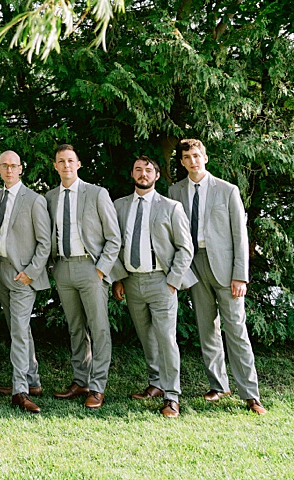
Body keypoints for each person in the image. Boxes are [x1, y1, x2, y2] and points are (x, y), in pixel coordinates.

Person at [169, 138, 266, 414]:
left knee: (236, 330)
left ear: (205, 158)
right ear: (182, 162)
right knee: (206, 329)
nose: (193, 161)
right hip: (195, 266)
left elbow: (240, 234)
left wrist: (240, 275)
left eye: (197, 156)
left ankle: (251, 394)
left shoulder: (227, 190)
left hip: (225, 269)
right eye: (187, 157)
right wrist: (181, 273)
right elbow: (174, 235)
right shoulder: (175, 191)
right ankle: (218, 385)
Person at [111, 156, 197, 418]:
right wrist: (118, 278)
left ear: (157, 176)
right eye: (138, 169)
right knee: (146, 336)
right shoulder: (119, 206)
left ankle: (172, 396)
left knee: (166, 338)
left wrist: (173, 280)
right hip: (132, 282)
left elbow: (185, 248)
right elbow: (113, 243)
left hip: (162, 281)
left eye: (148, 170)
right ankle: (156, 383)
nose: (143, 173)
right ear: (132, 174)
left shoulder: (171, 207)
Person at [45, 143, 121, 410]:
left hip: (91, 268)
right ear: (55, 166)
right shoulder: (50, 197)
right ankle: (81, 381)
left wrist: (101, 269)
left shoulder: (97, 194)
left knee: (99, 329)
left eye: (70, 161)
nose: (66, 165)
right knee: (75, 328)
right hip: (63, 268)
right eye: (61, 161)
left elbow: (114, 237)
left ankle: (98, 387)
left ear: (78, 164)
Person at [0, 150, 51, 413]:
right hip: (1, 271)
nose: (10, 170)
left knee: (18, 329)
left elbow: (45, 242)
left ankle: (20, 390)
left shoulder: (34, 200)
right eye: (5, 166)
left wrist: (31, 272)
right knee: (20, 329)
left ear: (21, 169)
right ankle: (32, 380)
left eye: (14, 165)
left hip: (23, 275)